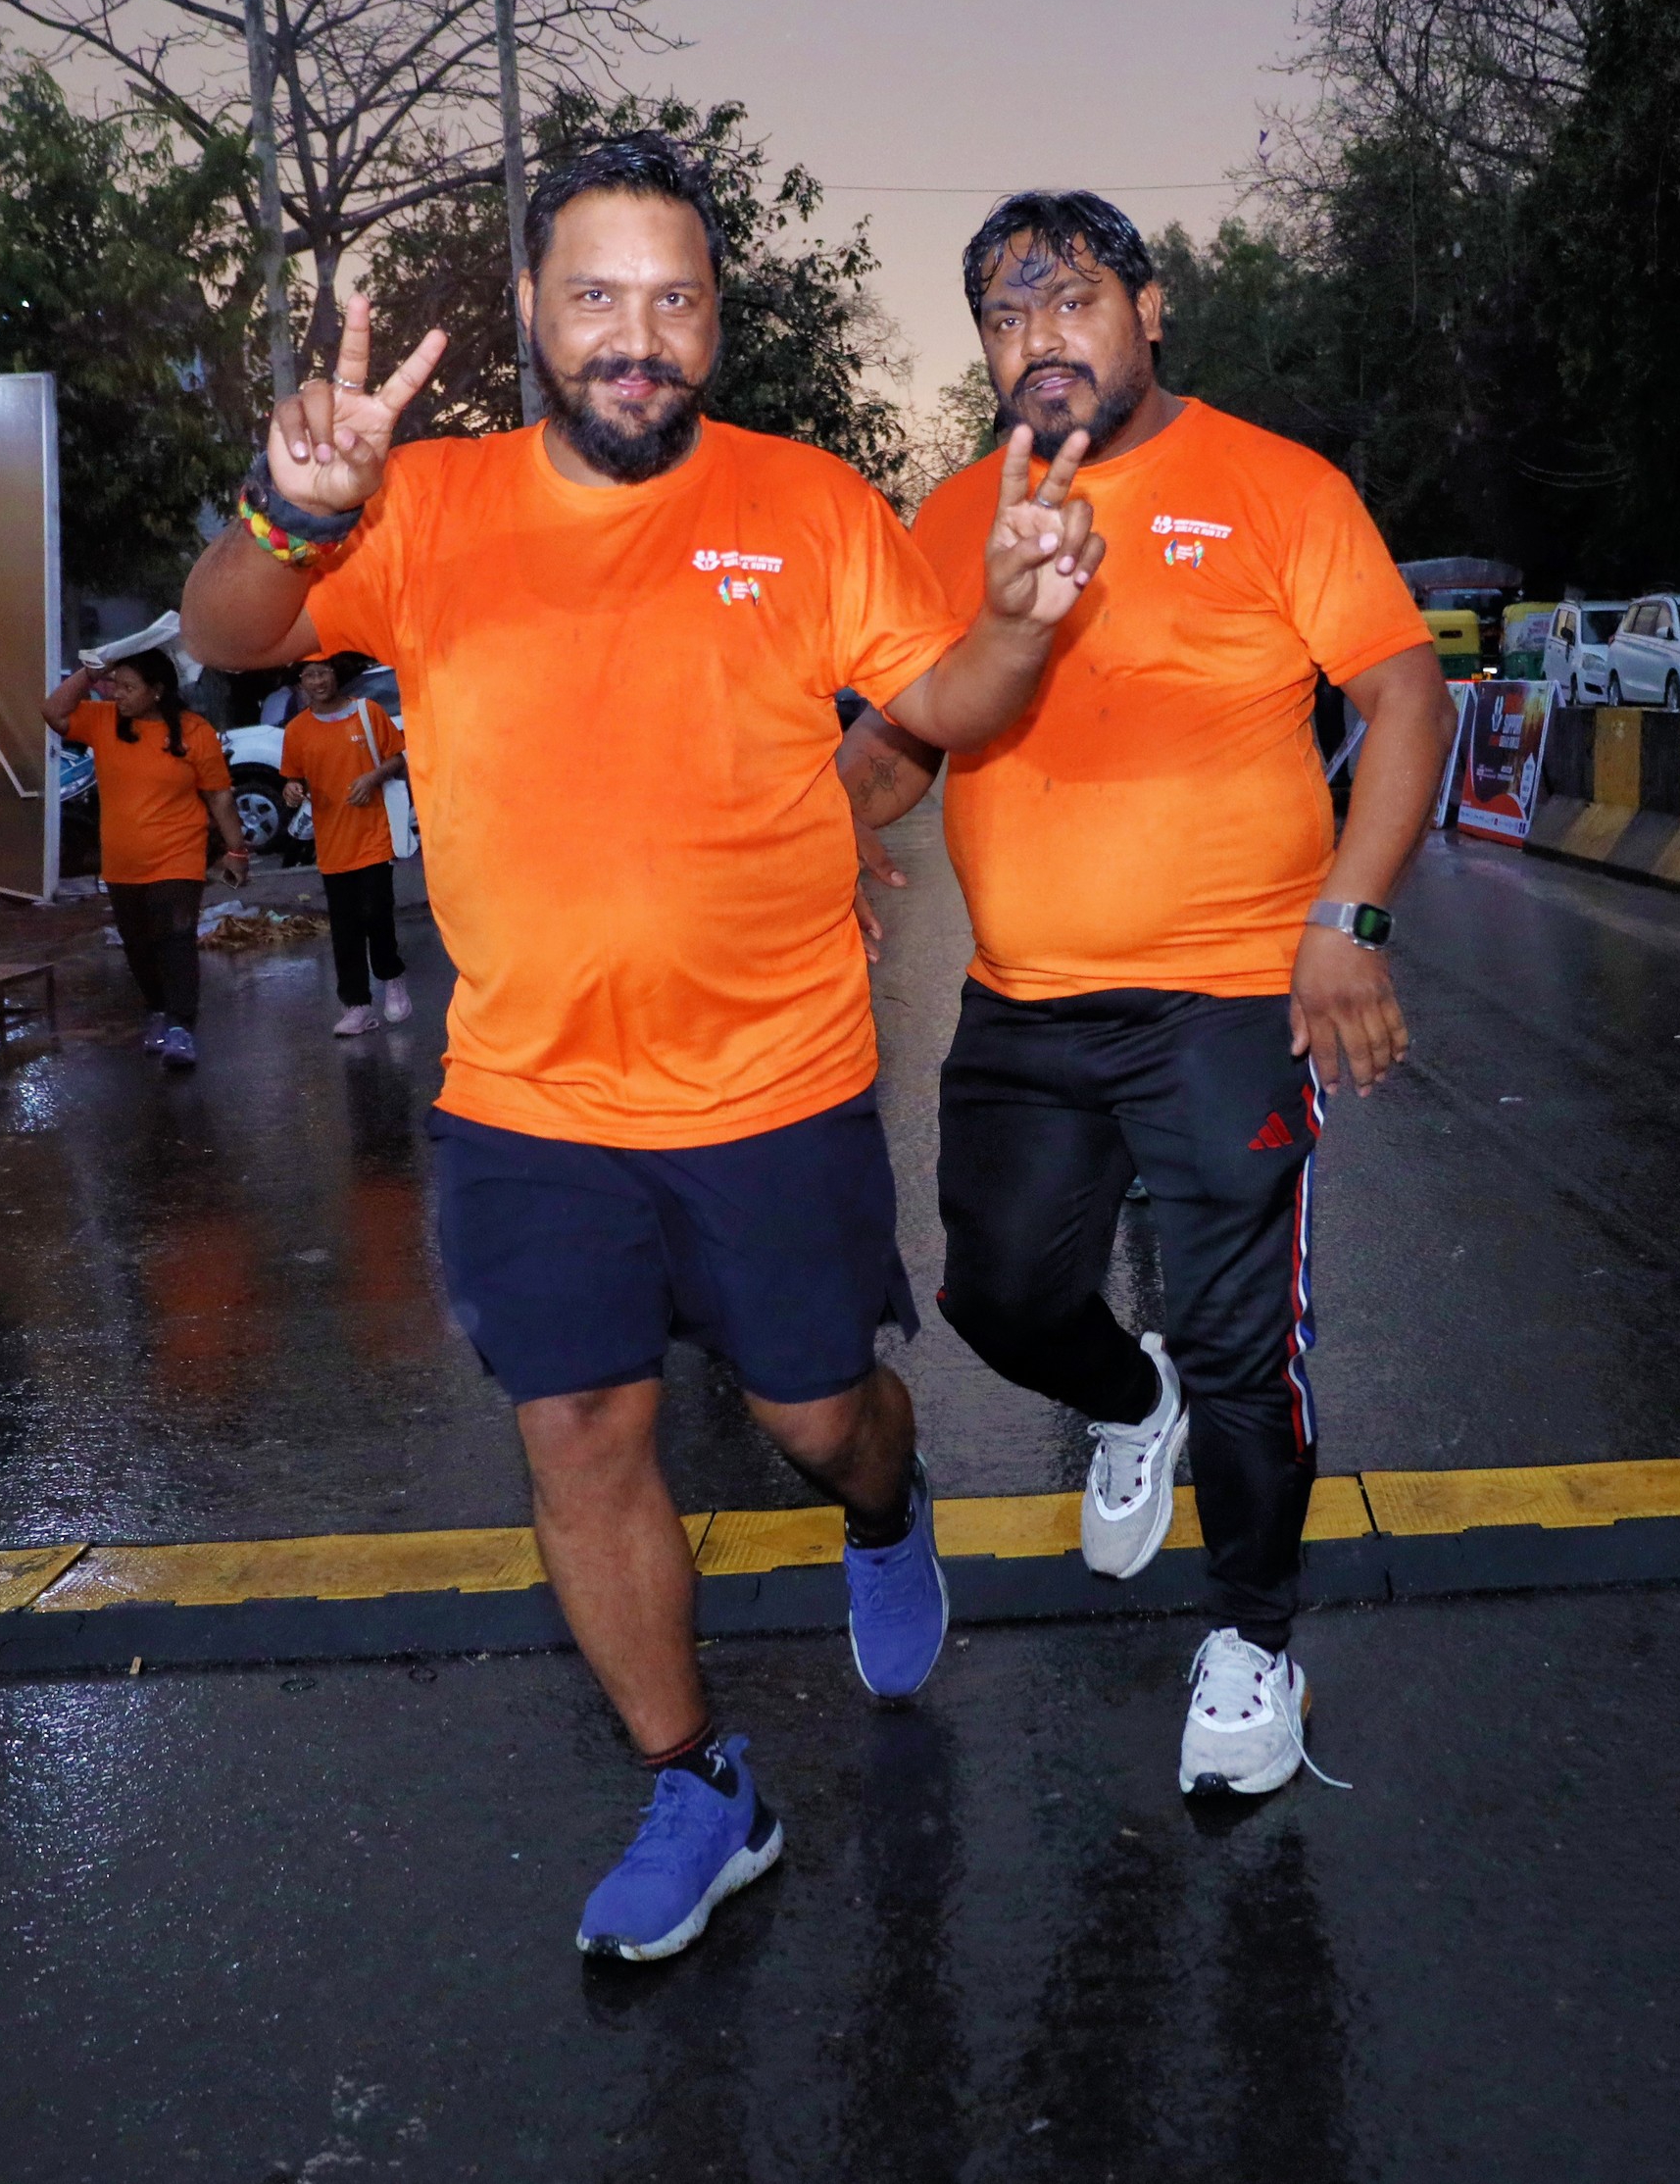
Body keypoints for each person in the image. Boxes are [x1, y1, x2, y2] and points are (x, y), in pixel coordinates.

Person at [180, 130, 1100, 1962]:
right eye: (595, 293)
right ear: (530, 306)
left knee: (813, 1415)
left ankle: (886, 1506)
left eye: (672, 298)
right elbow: (229, 629)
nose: (635, 334)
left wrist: (1014, 621)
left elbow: (951, 701)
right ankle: (698, 1781)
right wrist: (287, 509)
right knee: (582, 1432)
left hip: (775, 1079)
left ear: (713, 319)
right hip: (527, 1096)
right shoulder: (423, 501)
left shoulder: (806, 501)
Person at [841, 191, 1451, 1797]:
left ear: (1150, 309)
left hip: (1231, 996)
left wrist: (1349, 915)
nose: (1036, 336)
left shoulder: (1272, 484)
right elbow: (903, 735)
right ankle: (1129, 1398)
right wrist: (807, 827)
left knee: (1244, 1342)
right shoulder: (951, 515)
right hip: (1024, 1001)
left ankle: (1251, 1637)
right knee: (997, 1297)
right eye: (1003, 314)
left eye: (1071, 299)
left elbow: (1402, 693)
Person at [42, 646, 248, 1068]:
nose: (118, 694)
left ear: (157, 691)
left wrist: (236, 850)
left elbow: (219, 796)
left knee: (176, 938)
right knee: (137, 944)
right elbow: (53, 712)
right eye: (115, 686)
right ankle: (158, 1009)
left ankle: (181, 1026)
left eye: (128, 687)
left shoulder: (194, 731)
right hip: (122, 862)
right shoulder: (104, 721)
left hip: (178, 856)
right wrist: (90, 673)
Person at [276, 652, 416, 1036]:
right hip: (332, 844)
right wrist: (292, 790)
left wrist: (371, 778)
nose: (318, 682)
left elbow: (397, 759)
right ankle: (357, 1006)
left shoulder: (368, 712)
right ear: (301, 683)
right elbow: (292, 779)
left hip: (374, 835)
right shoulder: (297, 730)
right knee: (345, 927)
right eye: (309, 676)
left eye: (323, 673)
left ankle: (391, 977)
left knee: (376, 912)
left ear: (336, 675)